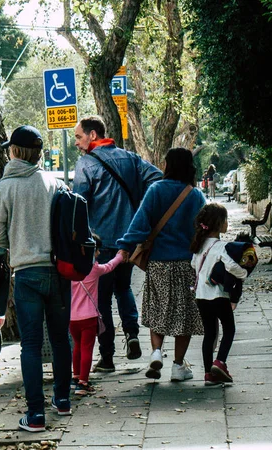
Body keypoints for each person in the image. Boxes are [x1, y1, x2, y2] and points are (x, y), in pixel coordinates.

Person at [0, 125, 72, 432]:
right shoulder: (54, 182)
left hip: (26, 273)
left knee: (31, 345)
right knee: (61, 339)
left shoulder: (5, 188)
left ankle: (35, 415)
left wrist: (18, 242)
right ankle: (62, 400)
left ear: (15, 152)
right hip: (58, 272)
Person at [73, 116, 162, 372]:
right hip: (131, 241)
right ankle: (132, 335)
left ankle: (108, 356)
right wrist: (141, 210)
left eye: (79, 137)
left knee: (101, 300)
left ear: (92, 135)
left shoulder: (86, 164)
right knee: (123, 289)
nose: (77, 143)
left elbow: (79, 203)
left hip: (100, 244)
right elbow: (156, 178)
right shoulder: (130, 158)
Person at [117, 148, 205, 381]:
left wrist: (126, 245)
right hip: (186, 264)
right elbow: (204, 230)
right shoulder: (195, 195)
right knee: (183, 314)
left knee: (158, 309)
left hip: (158, 264)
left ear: (168, 165)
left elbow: (140, 224)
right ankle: (178, 366)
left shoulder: (155, 190)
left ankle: (156, 352)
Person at [190, 203, 248, 386]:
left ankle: (208, 374)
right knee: (229, 329)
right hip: (218, 296)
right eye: (225, 220)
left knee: (209, 333)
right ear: (219, 223)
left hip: (201, 296)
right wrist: (243, 273)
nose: (227, 223)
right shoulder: (221, 246)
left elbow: (193, 265)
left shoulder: (199, 246)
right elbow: (232, 266)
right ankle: (220, 362)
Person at [70, 234, 125, 395]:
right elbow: (110, 266)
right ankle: (83, 383)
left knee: (77, 347)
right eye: (96, 251)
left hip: (72, 318)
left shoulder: (71, 270)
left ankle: (75, 377)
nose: (99, 254)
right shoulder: (93, 269)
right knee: (87, 349)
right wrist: (120, 255)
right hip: (89, 317)